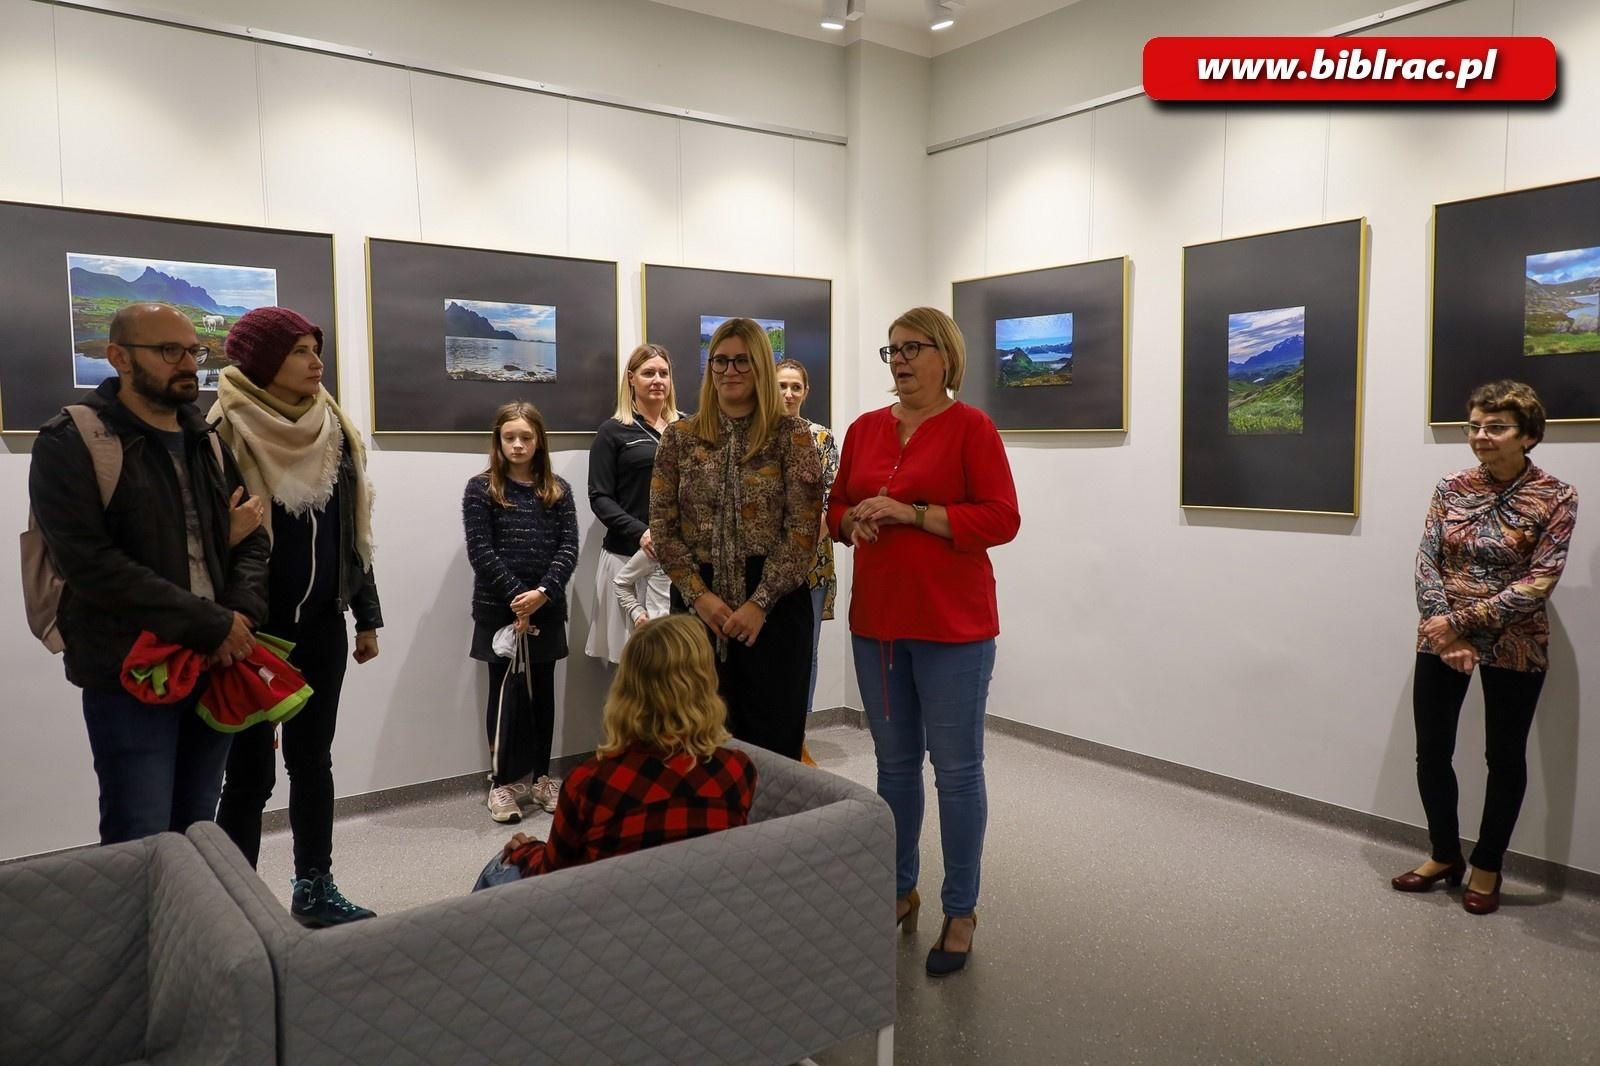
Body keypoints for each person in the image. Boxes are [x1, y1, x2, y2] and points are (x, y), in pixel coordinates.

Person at [27, 302, 270, 845]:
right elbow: (92, 566)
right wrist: (213, 624)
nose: (187, 364)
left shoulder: (206, 440)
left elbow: (252, 538)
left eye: (194, 351)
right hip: (129, 670)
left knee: (198, 828)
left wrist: (240, 617)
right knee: (140, 833)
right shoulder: (71, 441)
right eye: (168, 351)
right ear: (119, 357)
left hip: (214, 662)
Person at [829, 306, 1020, 977]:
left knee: (958, 771)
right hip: (877, 623)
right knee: (894, 767)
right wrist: (851, 520)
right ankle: (898, 888)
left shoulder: (972, 428)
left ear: (946, 355)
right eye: (893, 350)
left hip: (953, 628)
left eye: (913, 348)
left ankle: (960, 909)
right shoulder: (863, 429)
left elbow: (1001, 519)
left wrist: (912, 514)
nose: (901, 360)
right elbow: (834, 507)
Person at [209, 306, 382, 928]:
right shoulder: (222, 432)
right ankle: (235, 906)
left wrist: (366, 615)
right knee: (248, 776)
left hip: (321, 628)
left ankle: (314, 887)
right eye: (300, 352)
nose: (316, 363)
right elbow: (207, 542)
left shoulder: (333, 427)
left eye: (316, 349)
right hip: (251, 634)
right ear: (264, 362)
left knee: (312, 763)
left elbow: (351, 533)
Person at [1393, 380, 1577, 915]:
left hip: (1515, 639)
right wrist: (1443, 629)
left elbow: (1540, 580)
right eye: (1474, 426)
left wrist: (1459, 626)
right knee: (1432, 750)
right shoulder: (1450, 487)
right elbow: (1427, 560)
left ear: (1528, 435)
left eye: (1496, 427)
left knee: (1504, 757)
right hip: (1440, 633)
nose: (1481, 436)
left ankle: (1488, 865)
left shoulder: (1557, 496)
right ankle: (1444, 855)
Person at [473, 614, 755, 888]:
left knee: (500, 865)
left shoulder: (590, 782)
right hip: (702, 908)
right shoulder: (738, 769)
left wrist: (526, 851)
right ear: (706, 682)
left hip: (610, 914)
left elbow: (554, 878)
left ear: (627, 685)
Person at [649, 317, 822, 760]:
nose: (730, 370)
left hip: (774, 607)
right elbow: (664, 528)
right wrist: (700, 597)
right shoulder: (679, 438)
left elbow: (803, 530)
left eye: (742, 360)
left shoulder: (793, 437)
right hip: (697, 606)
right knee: (697, 740)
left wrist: (759, 603)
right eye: (720, 361)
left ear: (761, 365)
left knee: (773, 744)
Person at [463, 401, 580, 823]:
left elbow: (569, 547)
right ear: (498, 441)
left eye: (526, 437)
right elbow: (481, 550)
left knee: (543, 694)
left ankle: (543, 777)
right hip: (499, 611)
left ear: (539, 441)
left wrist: (542, 594)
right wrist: (518, 598)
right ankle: (501, 783)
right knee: (502, 695)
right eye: (509, 437)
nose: (517, 445)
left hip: (546, 609)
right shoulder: (480, 489)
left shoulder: (558, 489)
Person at [586, 344, 678, 664]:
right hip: (627, 559)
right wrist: (642, 533)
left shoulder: (685, 429)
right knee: (631, 666)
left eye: (663, 373)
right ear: (631, 378)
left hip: (675, 563)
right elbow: (600, 497)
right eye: (648, 373)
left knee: (672, 664)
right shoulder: (612, 432)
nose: (657, 380)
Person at [776, 358, 839, 717]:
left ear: (805, 392)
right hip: (765, 564)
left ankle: (799, 731)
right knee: (767, 649)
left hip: (812, 564)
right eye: (782, 386)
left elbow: (832, 499)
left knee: (806, 651)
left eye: (795, 387)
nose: (788, 393)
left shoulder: (822, 438)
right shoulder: (756, 436)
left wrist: (799, 552)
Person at [612, 545, 671, 631]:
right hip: (658, 629)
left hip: (687, 628)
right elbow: (620, 583)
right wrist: (637, 612)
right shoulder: (652, 550)